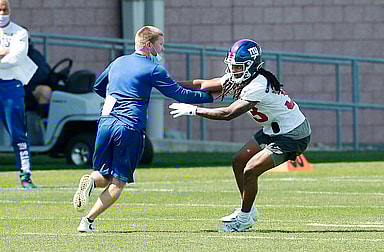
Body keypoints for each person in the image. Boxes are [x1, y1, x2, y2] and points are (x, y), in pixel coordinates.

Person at [72, 25, 214, 233]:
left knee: (103, 175)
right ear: (149, 45)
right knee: (118, 182)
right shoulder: (153, 68)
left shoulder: (118, 61)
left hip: (105, 122)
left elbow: (98, 87)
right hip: (129, 126)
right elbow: (179, 94)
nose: (163, 49)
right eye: (161, 44)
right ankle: (87, 221)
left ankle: (90, 182)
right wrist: (210, 97)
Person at [169, 39, 311, 232]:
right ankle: (248, 209)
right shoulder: (240, 78)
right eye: (232, 66)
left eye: (238, 67)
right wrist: (167, 86)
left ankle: (244, 219)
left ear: (252, 66)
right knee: (238, 161)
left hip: (292, 134)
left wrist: (194, 110)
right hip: (272, 129)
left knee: (251, 170)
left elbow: (229, 114)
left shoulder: (258, 85)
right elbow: (202, 84)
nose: (233, 71)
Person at [0, 0, 38, 188]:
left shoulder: (19, 32)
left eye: (4, 9)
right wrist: (3, 52)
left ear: (10, 10)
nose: (1, 13)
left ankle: (25, 175)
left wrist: (8, 53)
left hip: (10, 86)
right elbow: (8, 56)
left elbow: (16, 58)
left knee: (17, 133)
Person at [24, 36, 52, 117]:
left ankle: (44, 123)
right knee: (44, 91)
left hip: (34, 85)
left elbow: (44, 70)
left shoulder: (35, 54)